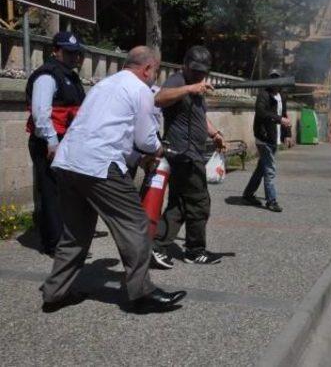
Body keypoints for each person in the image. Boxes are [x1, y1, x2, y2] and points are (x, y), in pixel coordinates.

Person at [40, 46, 186, 314]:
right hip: (99, 167)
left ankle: (55, 293)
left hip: (68, 161)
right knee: (136, 223)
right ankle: (142, 294)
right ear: (147, 69)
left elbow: (107, 128)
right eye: (155, 72)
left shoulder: (103, 85)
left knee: (75, 232)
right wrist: (158, 149)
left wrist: (136, 158)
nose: (155, 78)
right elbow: (144, 139)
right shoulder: (141, 90)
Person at [151, 46, 225, 269]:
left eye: (203, 72)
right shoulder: (177, 80)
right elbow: (160, 98)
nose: (199, 76)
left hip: (190, 154)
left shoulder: (196, 87)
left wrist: (214, 133)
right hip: (183, 154)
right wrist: (191, 87)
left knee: (180, 205)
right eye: (195, 71)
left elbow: (199, 116)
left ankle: (157, 245)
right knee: (199, 203)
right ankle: (195, 250)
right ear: (185, 66)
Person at [26, 32, 90, 257]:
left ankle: (66, 242)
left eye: (76, 53)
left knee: (67, 193)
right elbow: (41, 114)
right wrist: (52, 142)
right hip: (49, 142)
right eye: (69, 52)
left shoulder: (70, 76)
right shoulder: (47, 76)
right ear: (55, 51)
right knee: (51, 192)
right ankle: (54, 244)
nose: (74, 57)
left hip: (66, 141)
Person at [242, 69, 293, 212]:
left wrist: (287, 133)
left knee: (261, 169)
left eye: (277, 78)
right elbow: (261, 112)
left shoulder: (282, 96)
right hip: (263, 137)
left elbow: (284, 114)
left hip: (274, 137)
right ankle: (271, 201)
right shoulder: (263, 95)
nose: (275, 81)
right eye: (272, 78)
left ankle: (248, 194)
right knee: (270, 170)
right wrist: (279, 119)